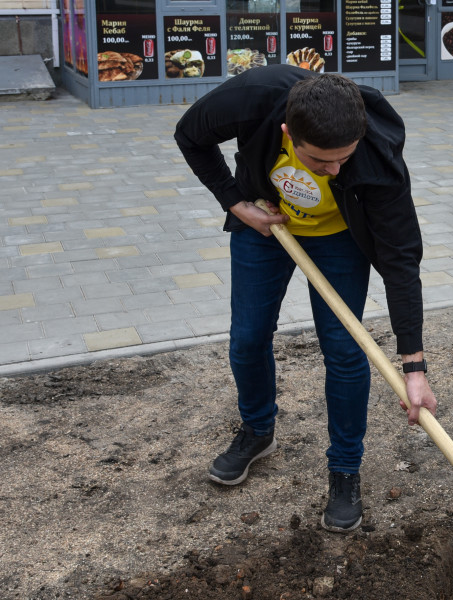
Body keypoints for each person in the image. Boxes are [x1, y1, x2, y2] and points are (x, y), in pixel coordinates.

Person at [174, 66, 438, 533]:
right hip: (265, 223)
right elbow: (189, 135)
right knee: (248, 337)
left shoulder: (376, 153)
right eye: (320, 161)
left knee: (343, 349)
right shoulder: (251, 97)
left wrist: (413, 366)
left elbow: (401, 259)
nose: (335, 170)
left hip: (338, 240)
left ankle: (344, 469)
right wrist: (236, 203)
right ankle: (258, 431)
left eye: (343, 159)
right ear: (287, 134)